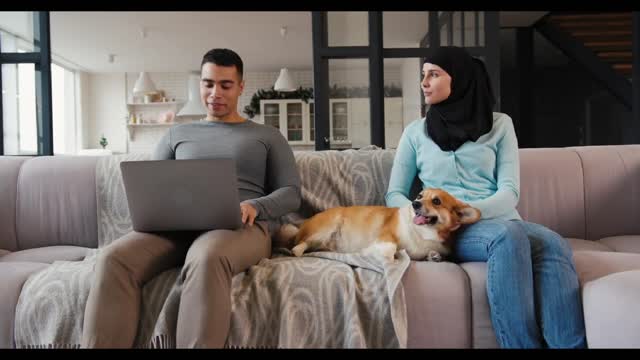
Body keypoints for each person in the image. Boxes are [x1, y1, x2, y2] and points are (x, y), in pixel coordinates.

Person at [81, 48, 301, 348]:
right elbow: (152, 184)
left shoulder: (267, 136)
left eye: (225, 85)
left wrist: (255, 206)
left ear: (240, 87)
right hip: (177, 228)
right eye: (208, 84)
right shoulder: (176, 134)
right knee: (113, 258)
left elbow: (291, 193)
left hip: (240, 228)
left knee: (206, 255)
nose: (215, 93)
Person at [385, 46, 586, 348]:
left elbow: (509, 191)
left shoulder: (500, 125)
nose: (424, 82)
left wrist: (467, 210)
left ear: (461, 79)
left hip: (498, 220)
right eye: (423, 75)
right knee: (508, 236)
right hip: (449, 229)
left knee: (552, 241)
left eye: (434, 74)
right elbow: (394, 193)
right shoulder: (416, 133)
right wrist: (426, 220)